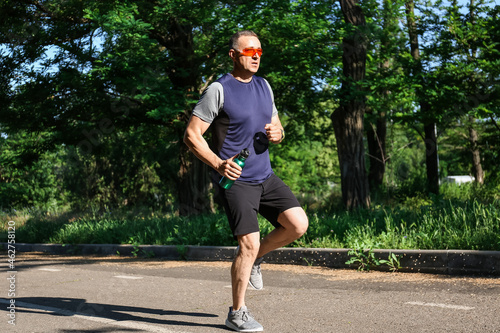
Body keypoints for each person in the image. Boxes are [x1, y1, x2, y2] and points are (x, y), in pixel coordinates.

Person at [183, 30, 309, 332]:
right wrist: (217, 163)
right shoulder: (218, 90)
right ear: (233, 55)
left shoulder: (265, 86)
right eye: (249, 51)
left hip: (265, 175)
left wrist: (278, 133)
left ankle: (255, 261)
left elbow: (275, 124)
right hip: (236, 181)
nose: (255, 56)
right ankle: (237, 313)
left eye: (259, 52)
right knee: (248, 244)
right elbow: (191, 135)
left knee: (298, 225)